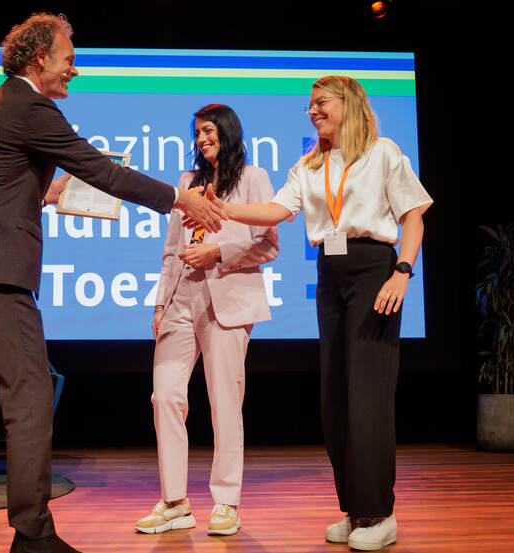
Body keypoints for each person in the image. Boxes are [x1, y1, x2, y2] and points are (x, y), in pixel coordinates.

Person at [0, 12, 224, 553]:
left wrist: (42, 194)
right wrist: (181, 198)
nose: (75, 68)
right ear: (38, 57)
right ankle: (32, 534)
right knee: (31, 395)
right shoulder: (30, 107)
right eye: (68, 57)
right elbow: (105, 173)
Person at [203, 76, 432, 551]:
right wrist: (225, 210)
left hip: (375, 270)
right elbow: (274, 211)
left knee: (367, 395)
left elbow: (413, 215)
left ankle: (381, 514)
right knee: (337, 397)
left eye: (320, 102)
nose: (312, 111)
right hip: (331, 274)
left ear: (348, 104)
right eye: (309, 105)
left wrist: (403, 273)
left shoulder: (383, 152)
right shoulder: (309, 164)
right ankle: (354, 510)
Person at [134, 104, 278, 537]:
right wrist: (160, 304)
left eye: (209, 131)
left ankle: (226, 502)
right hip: (181, 298)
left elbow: (269, 245)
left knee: (224, 401)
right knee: (165, 397)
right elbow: (170, 248)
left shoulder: (252, 178)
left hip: (227, 298)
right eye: (197, 132)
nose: (200, 139)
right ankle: (175, 501)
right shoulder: (187, 183)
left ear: (228, 132)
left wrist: (220, 252)